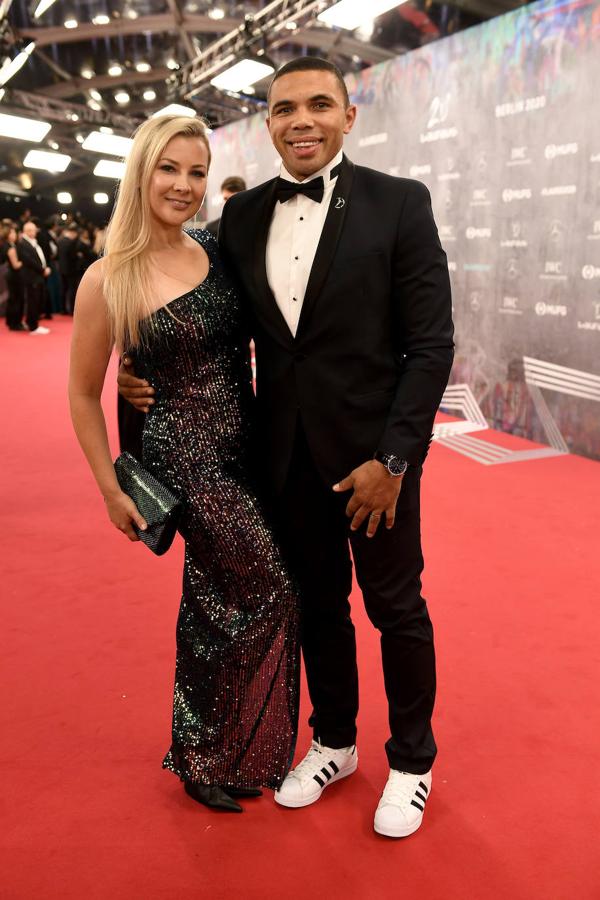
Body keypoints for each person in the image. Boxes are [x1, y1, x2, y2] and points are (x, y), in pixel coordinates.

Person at [119, 57, 454, 838]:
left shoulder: (400, 204)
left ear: (348, 115)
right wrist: (137, 366)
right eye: (283, 109)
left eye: (317, 105)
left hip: (376, 466)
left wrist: (395, 461)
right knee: (320, 608)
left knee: (396, 608)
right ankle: (334, 738)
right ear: (267, 123)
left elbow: (431, 347)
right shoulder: (240, 219)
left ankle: (412, 760)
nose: (300, 120)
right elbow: (179, 291)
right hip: (284, 458)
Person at [69, 114, 299, 814]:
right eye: (169, 168)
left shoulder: (215, 244)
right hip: (187, 461)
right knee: (269, 587)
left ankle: (210, 750)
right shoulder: (108, 277)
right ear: (140, 170)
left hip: (247, 443)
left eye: (196, 172)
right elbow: (81, 393)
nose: (183, 184)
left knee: (215, 597)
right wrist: (110, 490)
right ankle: (209, 747)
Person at [17, 221, 51, 335]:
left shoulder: (31, 242)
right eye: (32, 230)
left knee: (36, 300)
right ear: (26, 231)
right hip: (32, 277)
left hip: (37, 276)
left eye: (35, 229)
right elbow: (29, 261)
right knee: (33, 301)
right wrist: (43, 270)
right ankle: (33, 326)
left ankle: (31, 322)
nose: (35, 232)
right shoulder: (23, 243)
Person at [1, 225, 26, 331]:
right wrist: (25, 262)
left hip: (11, 276)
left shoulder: (8, 245)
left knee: (13, 299)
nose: (15, 234)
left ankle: (11, 322)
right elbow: (16, 265)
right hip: (14, 276)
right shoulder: (10, 247)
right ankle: (15, 323)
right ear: (8, 235)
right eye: (13, 233)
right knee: (17, 299)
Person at [57, 223, 80, 314]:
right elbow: (73, 256)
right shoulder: (71, 243)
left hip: (62, 269)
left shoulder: (60, 241)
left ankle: (63, 309)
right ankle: (71, 310)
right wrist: (78, 256)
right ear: (73, 233)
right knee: (72, 290)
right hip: (71, 270)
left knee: (63, 289)